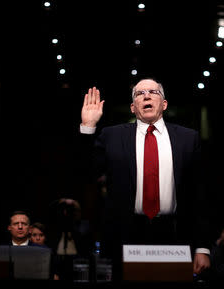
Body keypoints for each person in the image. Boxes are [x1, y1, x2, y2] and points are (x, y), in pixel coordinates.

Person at [79, 79, 211, 280]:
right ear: (133, 108)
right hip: (124, 235)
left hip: (174, 234)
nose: (146, 95)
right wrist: (88, 127)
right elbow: (87, 172)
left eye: (153, 92)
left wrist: (202, 247)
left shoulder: (188, 138)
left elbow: (199, 194)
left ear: (164, 104)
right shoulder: (112, 136)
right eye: (140, 93)